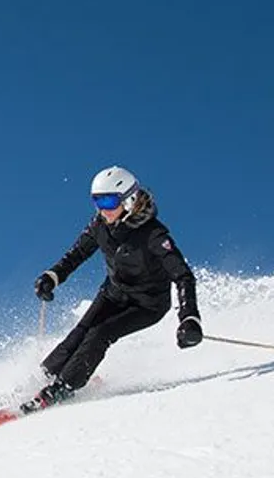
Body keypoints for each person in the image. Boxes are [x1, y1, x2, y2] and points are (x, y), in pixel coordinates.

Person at [28, 166, 201, 410]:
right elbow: (77, 254)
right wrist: (52, 276)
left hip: (147, 304)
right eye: (97, 201)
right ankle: (43, 378)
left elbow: (183, 276)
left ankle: (62, 388)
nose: (102, 209)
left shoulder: (153, 234)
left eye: (108, 201)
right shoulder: (100, 225)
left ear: (129, 199)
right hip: (114, 293)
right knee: (81, 331)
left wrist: (189, 318)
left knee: (101, 333)